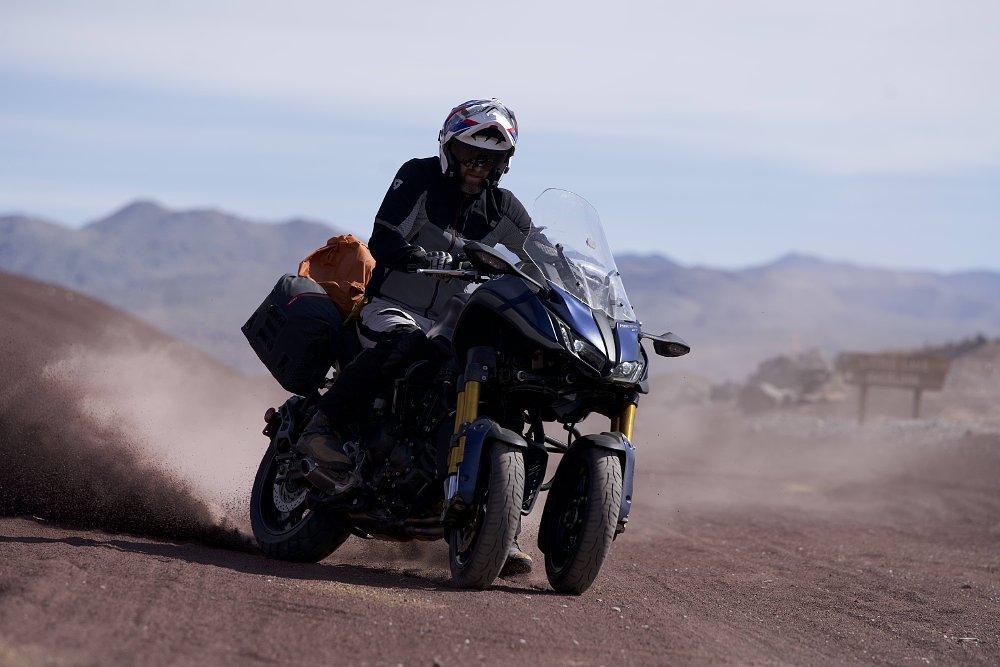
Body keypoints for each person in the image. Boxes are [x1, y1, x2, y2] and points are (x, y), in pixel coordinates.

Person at [297, 98, 534, 575]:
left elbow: (541, 258)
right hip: (393, 308)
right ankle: (319, 429)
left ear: (503, 164)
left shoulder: (505, 209)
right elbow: (384, 235)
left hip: (454, 324)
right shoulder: (420, 177)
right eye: (470, 154)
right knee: (403, 346)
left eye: (489, 159)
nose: (478, 166)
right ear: (450, 148)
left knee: (507, 385)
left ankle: (494, 524)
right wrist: (413, 255)